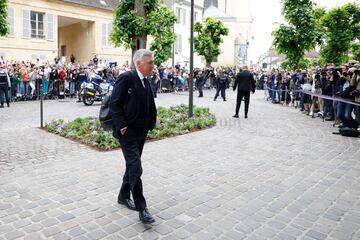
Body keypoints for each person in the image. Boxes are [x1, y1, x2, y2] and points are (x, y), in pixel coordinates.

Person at [109, 49, 157, 224]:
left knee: (132, 165)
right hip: (128, 133)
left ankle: (123, 195)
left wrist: (152, 122)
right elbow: (114, 103)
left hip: (141, 131)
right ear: (139, 64)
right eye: (150, 62)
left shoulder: (146, 80)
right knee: (136, 167)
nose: (153, 65)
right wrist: (121, 125)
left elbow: (149, 103)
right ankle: (142, 208)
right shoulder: (127, 78)